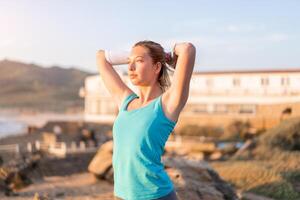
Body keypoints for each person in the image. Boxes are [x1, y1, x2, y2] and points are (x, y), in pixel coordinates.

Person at [96, 40, 196, 200]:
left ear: (157, 67)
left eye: (139, 61)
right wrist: (135, 56)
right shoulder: (126, 100)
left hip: (156, 196)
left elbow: (188, 50)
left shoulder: (167, 104)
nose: (130, 67)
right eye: (129, 62)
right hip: (121, 195)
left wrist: (167, 56)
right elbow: (101, 57)